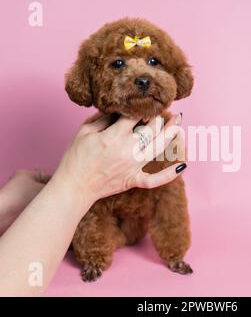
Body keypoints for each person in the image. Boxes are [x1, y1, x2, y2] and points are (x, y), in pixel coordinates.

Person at [0, 112, 186, 296]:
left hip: (134, 225)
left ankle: (173, 252)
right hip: (94, 221)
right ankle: (94, 257)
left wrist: (7, 203)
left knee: (169, 193)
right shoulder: (94, 136)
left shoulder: (166, 135)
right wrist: (75, 184)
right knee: (95, 209)